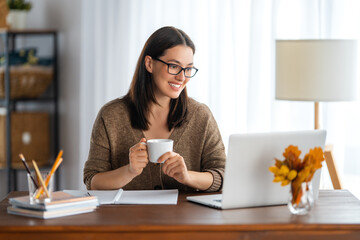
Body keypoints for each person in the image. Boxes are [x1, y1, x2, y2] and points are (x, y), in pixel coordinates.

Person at [83, 26, 225, 192]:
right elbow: (92, 180)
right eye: (173, 66)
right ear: (149, 64)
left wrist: (188, 176)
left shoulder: (200, 115)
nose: (182, 77)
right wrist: (129, 171)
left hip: (185, 218)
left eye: (188, 69)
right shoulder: (111, 116)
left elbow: (223, 175)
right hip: (127, 217)